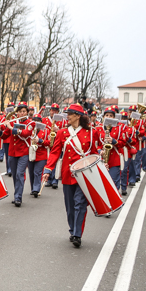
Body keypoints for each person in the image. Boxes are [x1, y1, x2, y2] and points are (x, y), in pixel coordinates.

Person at [42, 104, 99, 248]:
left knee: (80, 203)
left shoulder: (91, 132)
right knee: (70, 206)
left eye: (70, 114)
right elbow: (55, 152)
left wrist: (101, 164)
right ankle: (73, 229)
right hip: (68, 174)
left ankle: (77, 234)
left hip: (84, 174)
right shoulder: (62, 133)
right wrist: (48, 169)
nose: (67, 116)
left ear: (78, 116)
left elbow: (94, 153)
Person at [0, 102, 34, 207]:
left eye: (24, 111)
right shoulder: (13, 122)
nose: (22, 113)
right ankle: (17, 194)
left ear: (27, 112)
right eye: (20, 111)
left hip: (24, 152)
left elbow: (25, 134)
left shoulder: (30, 123)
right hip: (12, 152)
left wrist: (10, 127)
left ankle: (18, 197)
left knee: (20, 174)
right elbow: (4, 136)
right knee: (15, 175)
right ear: (17, 113)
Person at [27, 114, 50, 197]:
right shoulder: (30, 129)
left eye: (38, 121)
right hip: (31, 153)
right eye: (34, 120)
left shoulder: (46, 131)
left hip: (41, 154)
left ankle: (36, 189)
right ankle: (33, 188)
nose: (36, 122)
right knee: (31, 172)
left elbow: (49, 143)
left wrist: (40, 140)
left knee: (37, 172)